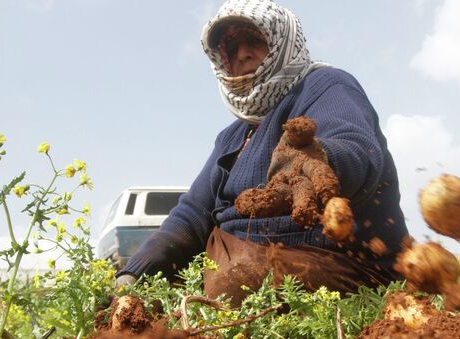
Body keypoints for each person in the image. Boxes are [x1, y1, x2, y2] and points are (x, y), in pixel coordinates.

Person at [116, 0, 409, 306]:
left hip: (339, 266)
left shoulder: (326, 86)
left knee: (240, 278)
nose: (242, 53)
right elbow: (192, 213)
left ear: (282, 42)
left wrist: (319, 161)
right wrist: (134, 274)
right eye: (231, 48)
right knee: (153, 300)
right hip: (241, 266)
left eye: (255, 40)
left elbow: (355, 145)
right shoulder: (233, 136)